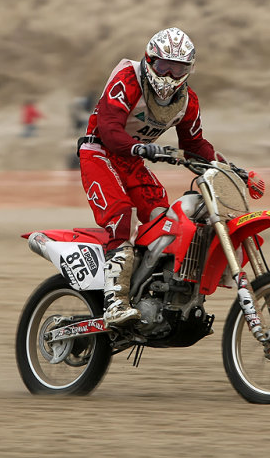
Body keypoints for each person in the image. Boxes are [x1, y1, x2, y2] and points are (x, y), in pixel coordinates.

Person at [78, 27, 226, 326]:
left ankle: (153, 290)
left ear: (189, 69)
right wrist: (143, 148)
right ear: (149, 60)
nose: (170, 76)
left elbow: (194, 144)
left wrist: (223, 166)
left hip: (134, 161)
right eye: (164, 66)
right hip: (100, 153)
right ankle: (115, 303)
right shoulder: (127, 80)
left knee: (164, 219)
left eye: (179, 68)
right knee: (120, 214)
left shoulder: (187, 101)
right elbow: (109, 129)